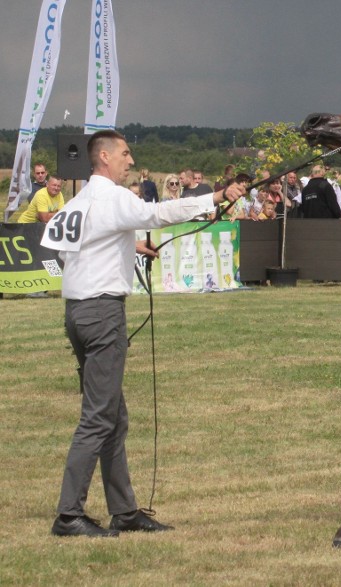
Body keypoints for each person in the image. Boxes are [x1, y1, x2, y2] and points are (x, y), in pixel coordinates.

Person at [42, 130, 244, 538]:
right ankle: (68, 515)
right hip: (102, 313)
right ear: (103, 156)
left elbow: (64, 249)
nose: (130, 161)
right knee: (99, 419)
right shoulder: (114, 197)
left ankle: (125, 511)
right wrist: (215, 197)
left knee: (112, 417)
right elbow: (158, 214)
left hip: (77, 312)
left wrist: (127, 246)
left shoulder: (79, 202)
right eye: (125, 153)